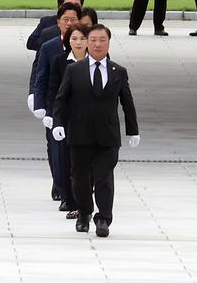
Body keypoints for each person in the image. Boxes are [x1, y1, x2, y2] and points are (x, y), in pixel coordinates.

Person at [52, 24, 139, 238]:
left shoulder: (118, 71)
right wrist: (58, 123)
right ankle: (84, 213)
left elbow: (127, 103)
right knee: (80, 179)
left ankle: (103, 218)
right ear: (87, 43)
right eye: (93, 40)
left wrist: (133, 130)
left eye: (102, 40)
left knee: (103, 178)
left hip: (107, 136)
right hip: (80, 135)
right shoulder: (74, 70)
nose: (97, 44)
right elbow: (61, 99)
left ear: (108, 43)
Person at [31, 1, 82, 200]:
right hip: (56, 109)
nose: (69, 23)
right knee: (58, 153)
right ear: (58, 22)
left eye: (73, 19)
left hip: (81, 111)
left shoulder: (87, 44)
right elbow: (41, 76)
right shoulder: (49, 47)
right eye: (65, 19)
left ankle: (76, 193)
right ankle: (61, 188)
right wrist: (40, 105)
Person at [42, 23, 90, 219]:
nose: (78, 43)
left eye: (82, 39)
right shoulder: (60, 61)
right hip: (66, 118)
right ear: (67, 41)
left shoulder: (97, 61)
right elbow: (53, 89)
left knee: (85, 163)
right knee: (65, 161)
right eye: (74, 39)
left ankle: (83, 202)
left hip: (89, 119)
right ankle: (69, 199)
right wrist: (51, 114)